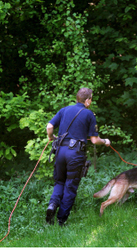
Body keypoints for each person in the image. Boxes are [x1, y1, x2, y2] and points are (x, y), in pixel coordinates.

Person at [45, 87, 110, 226]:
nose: (91, 102)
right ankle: (61, 221)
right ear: (87, 100)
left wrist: (51, 137)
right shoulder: (89, 114)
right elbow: (94, 140)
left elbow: (49, 126)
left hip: (60, 151)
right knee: (70, 186)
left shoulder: (64, 110)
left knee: (59, 182)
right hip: (75, 154)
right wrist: (105, 141)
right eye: (91, 99)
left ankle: (52, 205)